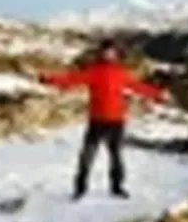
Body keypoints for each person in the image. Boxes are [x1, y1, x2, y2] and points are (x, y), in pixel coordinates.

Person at [38, 39, 169, 200]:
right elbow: (72, 79)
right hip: (97, 120)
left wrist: (158, 94)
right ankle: (80, 188)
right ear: (101, 53)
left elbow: (137, 87)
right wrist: (49, 79)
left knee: (116, 156)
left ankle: (116, 187)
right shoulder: (94, 71)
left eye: (111, 52)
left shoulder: (120, 73)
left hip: (116, 121)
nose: (108, 54)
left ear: (116, 54)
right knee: (87, 156)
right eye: (106, 52)